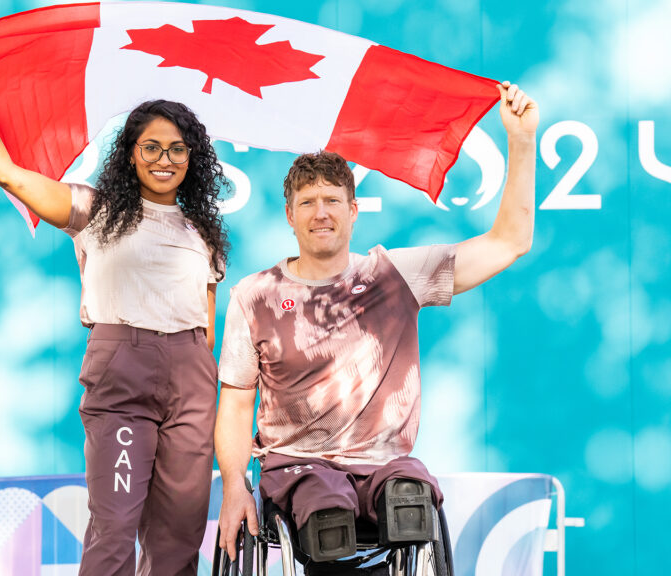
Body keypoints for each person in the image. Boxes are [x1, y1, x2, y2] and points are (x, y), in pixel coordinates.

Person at [214, 82, 537, 564]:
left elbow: (508, 242)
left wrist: (522, 141)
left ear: (353, 211)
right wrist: (235, 489)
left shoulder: (395, 275)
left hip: (383, 466)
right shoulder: (254, 296)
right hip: (298, 467)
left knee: (409, 492)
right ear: (289, 215)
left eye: (332, 200)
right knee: (326, 509)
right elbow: (237, 406)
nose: (320, 212)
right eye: (307, 202)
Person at [0, 38, 230, 576]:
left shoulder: (203, 235)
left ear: (192, 159)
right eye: (151, 147)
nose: (164, 159)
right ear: (130, 154)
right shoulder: (93, 210)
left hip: (192, 376)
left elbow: (207, 326)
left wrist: (198, 375)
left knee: (180, 536)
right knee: (115, 527)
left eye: (176, 149)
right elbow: (6, 173)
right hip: (123, 372)